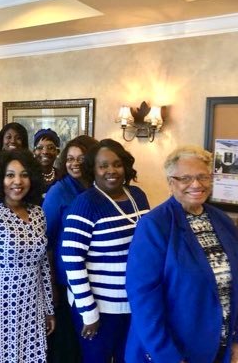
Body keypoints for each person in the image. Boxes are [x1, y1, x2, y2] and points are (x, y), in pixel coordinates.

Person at [125, 145, 238, 363]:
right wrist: (168, 356)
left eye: (202, 177)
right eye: (185, 178)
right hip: (174, 351)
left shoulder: (222, 220)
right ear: (170, 183)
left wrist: (235, 340)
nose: (196, 184)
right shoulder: (155, 225)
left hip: (220, 349)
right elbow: (143, 298)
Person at [61, 138, 150, 363]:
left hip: (134, 303)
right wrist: (88, 312)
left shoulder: (137, 196)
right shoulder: (86, 203)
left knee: (129, 359)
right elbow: (72, 260)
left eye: (117, 164)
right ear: (93, 169)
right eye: (103, 166)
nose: (111, 170)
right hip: (99, 309)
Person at [0, 149, 55, 362]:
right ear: (0, 179)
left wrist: (49, 309)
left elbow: (43, 266)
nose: (18, 181)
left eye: (24, 174)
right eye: (10, 175)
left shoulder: (38, 213)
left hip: (31, 309)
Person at [43, 136, 98, 363]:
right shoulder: (59, 191)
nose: (74, 163)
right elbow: (45, 241)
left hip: (97, 278)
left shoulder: (99, 188)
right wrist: (52, 285)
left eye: (81, 159)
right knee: (69, 346)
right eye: (70, 158)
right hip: (67, 282)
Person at [33, 128, 61, 194]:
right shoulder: (28, 176)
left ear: (57, 152)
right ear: (34, 152)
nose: (45, 152)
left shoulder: (62, 177)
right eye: (40, 148)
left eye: (50, 148)